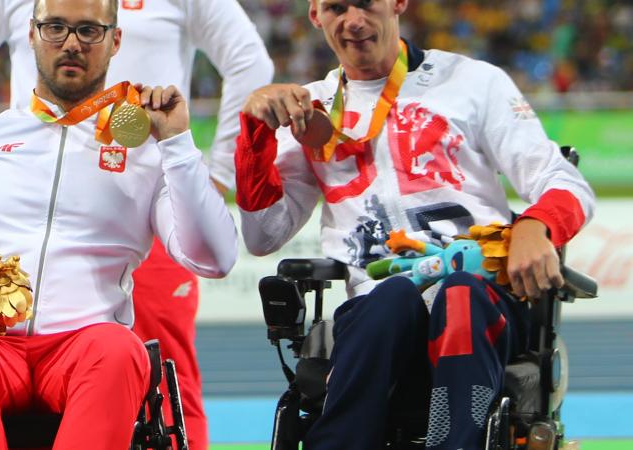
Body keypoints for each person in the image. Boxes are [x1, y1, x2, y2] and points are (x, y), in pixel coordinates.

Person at [0, 0, 237, 448]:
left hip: (85, 348)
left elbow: (214, 258)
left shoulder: (146, 154)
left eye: (89, 30)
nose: (71, 43)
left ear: (115, 41)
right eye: (55, 28)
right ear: (31, 34)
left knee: (120, 350)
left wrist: (178, 145)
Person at [234, 0, 595, 449]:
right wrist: (255, 134)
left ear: (398, 3)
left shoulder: (474, 83)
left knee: (459, 292)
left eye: (366, 3)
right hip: (375, 307)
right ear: (315, 16)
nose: (353, 21)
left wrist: (535, 226)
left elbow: (565, 183)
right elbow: (262, 235)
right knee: (392, 296)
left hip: (482, 295)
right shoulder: (308, 110)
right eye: (336, 7)